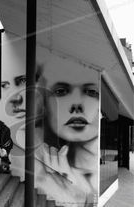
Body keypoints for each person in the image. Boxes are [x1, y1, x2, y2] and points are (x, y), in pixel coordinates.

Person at [35, 54, 99, 206]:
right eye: (61, 91)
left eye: (90, 92)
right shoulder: (40, 169)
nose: (76, 104)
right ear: (44, 104)